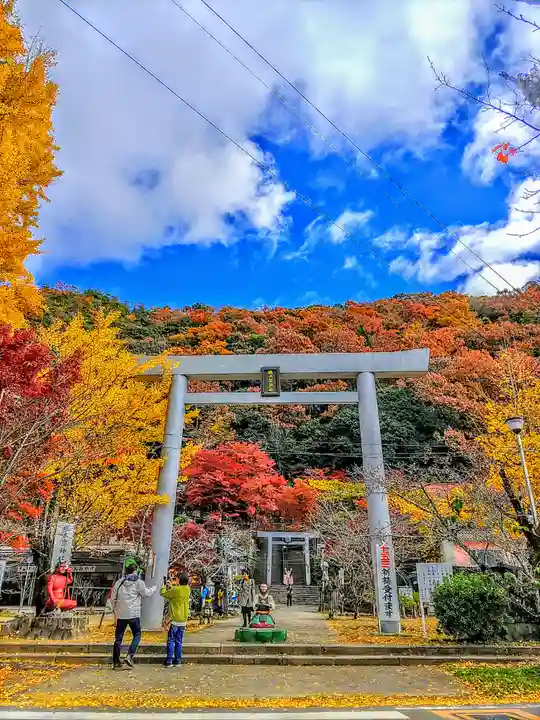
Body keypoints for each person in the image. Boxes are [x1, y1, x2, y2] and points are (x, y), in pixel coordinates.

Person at [110, 562, 156, 670]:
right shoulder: (138, 582)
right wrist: (154, 588)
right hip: (133, 614)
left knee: (118, 638)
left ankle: (116, 661)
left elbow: (113, 597)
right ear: (135, 571)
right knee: (137, 634)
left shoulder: (119, 582)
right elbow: (146, 594)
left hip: (121, 614)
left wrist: (116, 610)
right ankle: (130, 655)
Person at [160, 572, 190, 668]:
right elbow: (175, 592)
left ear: (179, 579)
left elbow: (163, 593)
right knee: (179, 640)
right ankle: (178, 660)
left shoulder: (176, 589)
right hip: (183, 618)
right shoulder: (187, 589)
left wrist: (164, 586)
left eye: (176, 579)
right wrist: (171, 586)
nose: (175, 580)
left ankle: (169, 661)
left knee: (171, 640)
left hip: (175, 618)